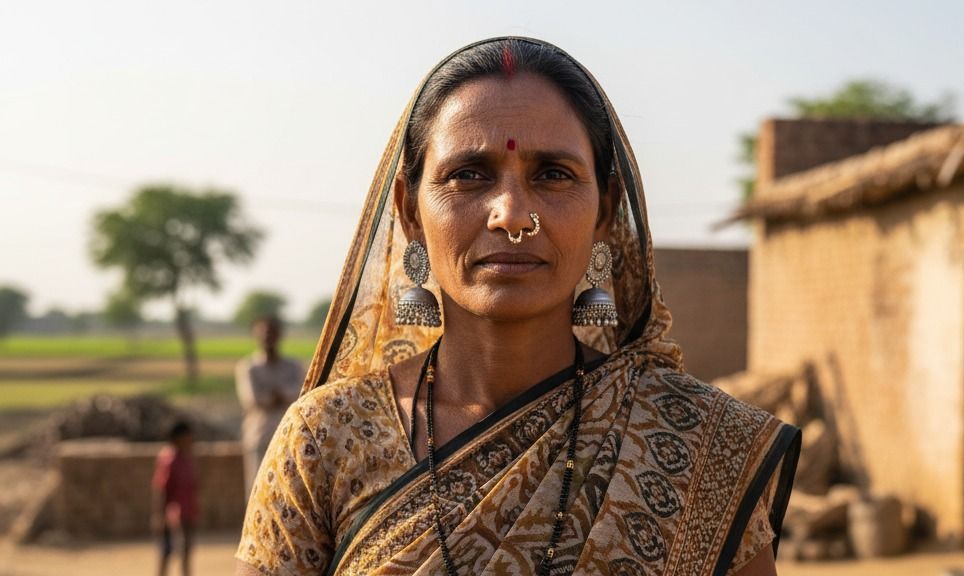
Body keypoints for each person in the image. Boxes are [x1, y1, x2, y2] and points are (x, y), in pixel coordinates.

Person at [236, 38, 800, 576]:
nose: (511, 215)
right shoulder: (325, 438)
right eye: (468, 175)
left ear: (605, 212)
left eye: (553, 175)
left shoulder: (696, 442)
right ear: (410, 212)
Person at [235, 315, 304, 496]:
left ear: (279, 335)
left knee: (289, 493)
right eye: (263, 333)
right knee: (257, 492)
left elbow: (302, 395)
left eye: (271, 333)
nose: (267, 337)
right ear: (256, 336)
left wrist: (275, 396)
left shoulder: (294, 366)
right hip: (260, 437)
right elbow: (253, 400)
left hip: (290, 439)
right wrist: (283, 395)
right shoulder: (248, 367)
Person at [152, 420, 199, 576]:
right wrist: (159, 515)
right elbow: (161, 488)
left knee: (185, 550)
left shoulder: (186, 458)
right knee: (167, 551)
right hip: (174, 514)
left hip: (187, 512)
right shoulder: (169, 459)